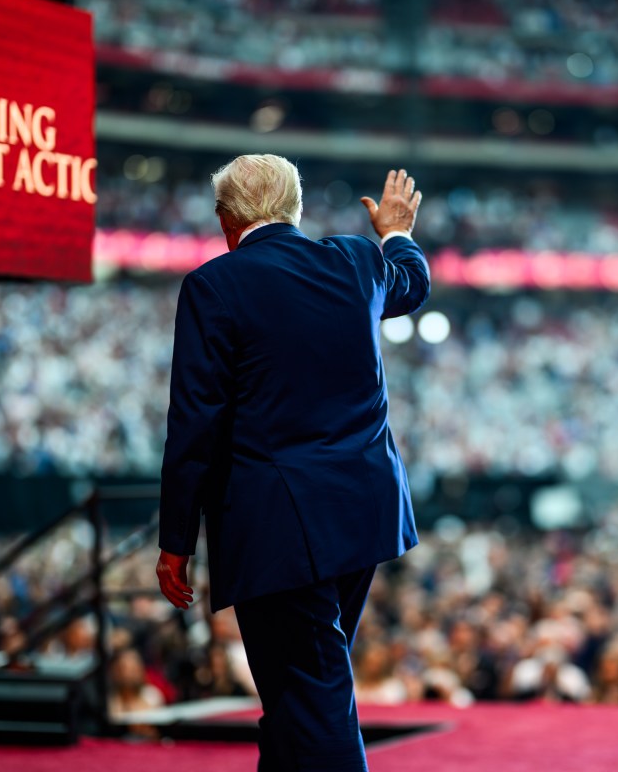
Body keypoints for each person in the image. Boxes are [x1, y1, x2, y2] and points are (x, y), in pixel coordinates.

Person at [156, 155, 430, 771]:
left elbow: (195, 422)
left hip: (280, 528)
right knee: (296, 690)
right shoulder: (356, 261)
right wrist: (396, 231)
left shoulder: (214, 285)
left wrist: (176, 538)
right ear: (294, 210)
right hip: (363, 516)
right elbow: (411, 284)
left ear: (227, 219)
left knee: (309, 690)